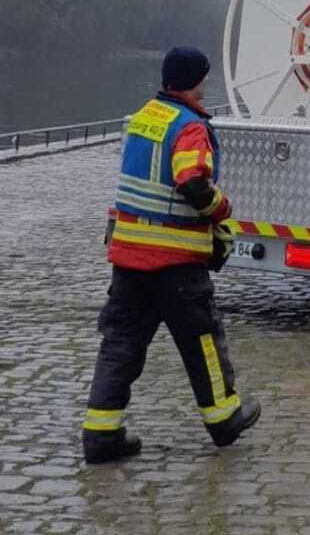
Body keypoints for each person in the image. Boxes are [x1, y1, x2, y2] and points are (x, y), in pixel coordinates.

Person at [82, 47, 260, 463]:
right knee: (203, 342)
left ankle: (100, 435)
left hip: (127, 258)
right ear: (196, 82)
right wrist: (222, 210)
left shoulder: (144, 117)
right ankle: (224, 418)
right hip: (176, 263)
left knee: (121, 343)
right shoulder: (190, 126)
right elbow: (192, 182)